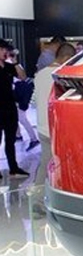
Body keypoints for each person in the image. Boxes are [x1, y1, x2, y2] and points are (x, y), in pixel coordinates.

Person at [34, 41, 77, 172]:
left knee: (45, 162)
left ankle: (39, 185)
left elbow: (35, 99)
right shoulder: (61, 76)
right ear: (67, 58)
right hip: (57, 128)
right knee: (62, 166)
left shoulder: (39, 74)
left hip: (42, 126)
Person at [0, 40, 28, 177]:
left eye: (6, 49)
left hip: (10, 107)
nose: (5, 52)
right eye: (2, 49)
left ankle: (13, 167)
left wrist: (15, 62)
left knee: (10, 140)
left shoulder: (8, 67)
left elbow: (23, 77)